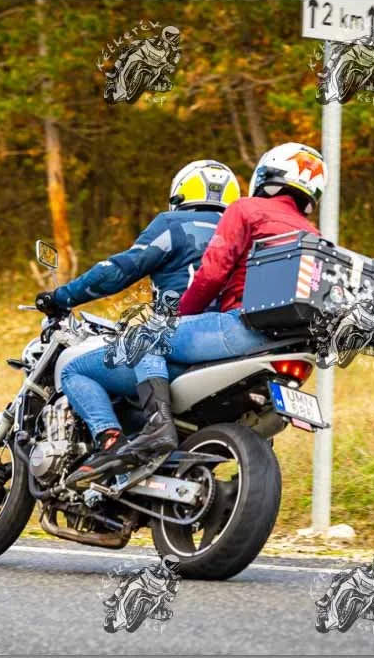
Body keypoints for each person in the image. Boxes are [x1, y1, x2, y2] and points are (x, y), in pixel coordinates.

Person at [53, 142, 328, 481]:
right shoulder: (312, 234)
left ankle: (144, 431)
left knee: (127, 346)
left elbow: (210, 274)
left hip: (239, 328)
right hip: (284, 343)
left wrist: (180, 317)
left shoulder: (243, 210)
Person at [34, 160, 241, 484]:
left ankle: (110, 442)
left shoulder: (174, 225)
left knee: (74, 370)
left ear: (181, 193)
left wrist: (62, 297)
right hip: (229, 346)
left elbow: (118, 271)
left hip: (178, 347)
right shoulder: (241, 233)